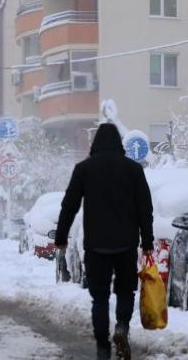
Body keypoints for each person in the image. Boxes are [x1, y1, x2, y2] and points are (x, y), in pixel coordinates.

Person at [55, 123, 153, 360]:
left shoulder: (84, 169)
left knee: (99, 297)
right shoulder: (133, 170)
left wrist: (61, 237)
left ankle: (102, 346)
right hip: (126, 244)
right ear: (120, 143)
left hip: (96, 245)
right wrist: (147, 241)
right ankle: (121, 326)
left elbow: (69, 206)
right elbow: (145, 208)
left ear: (95, 143)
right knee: (125, 290)